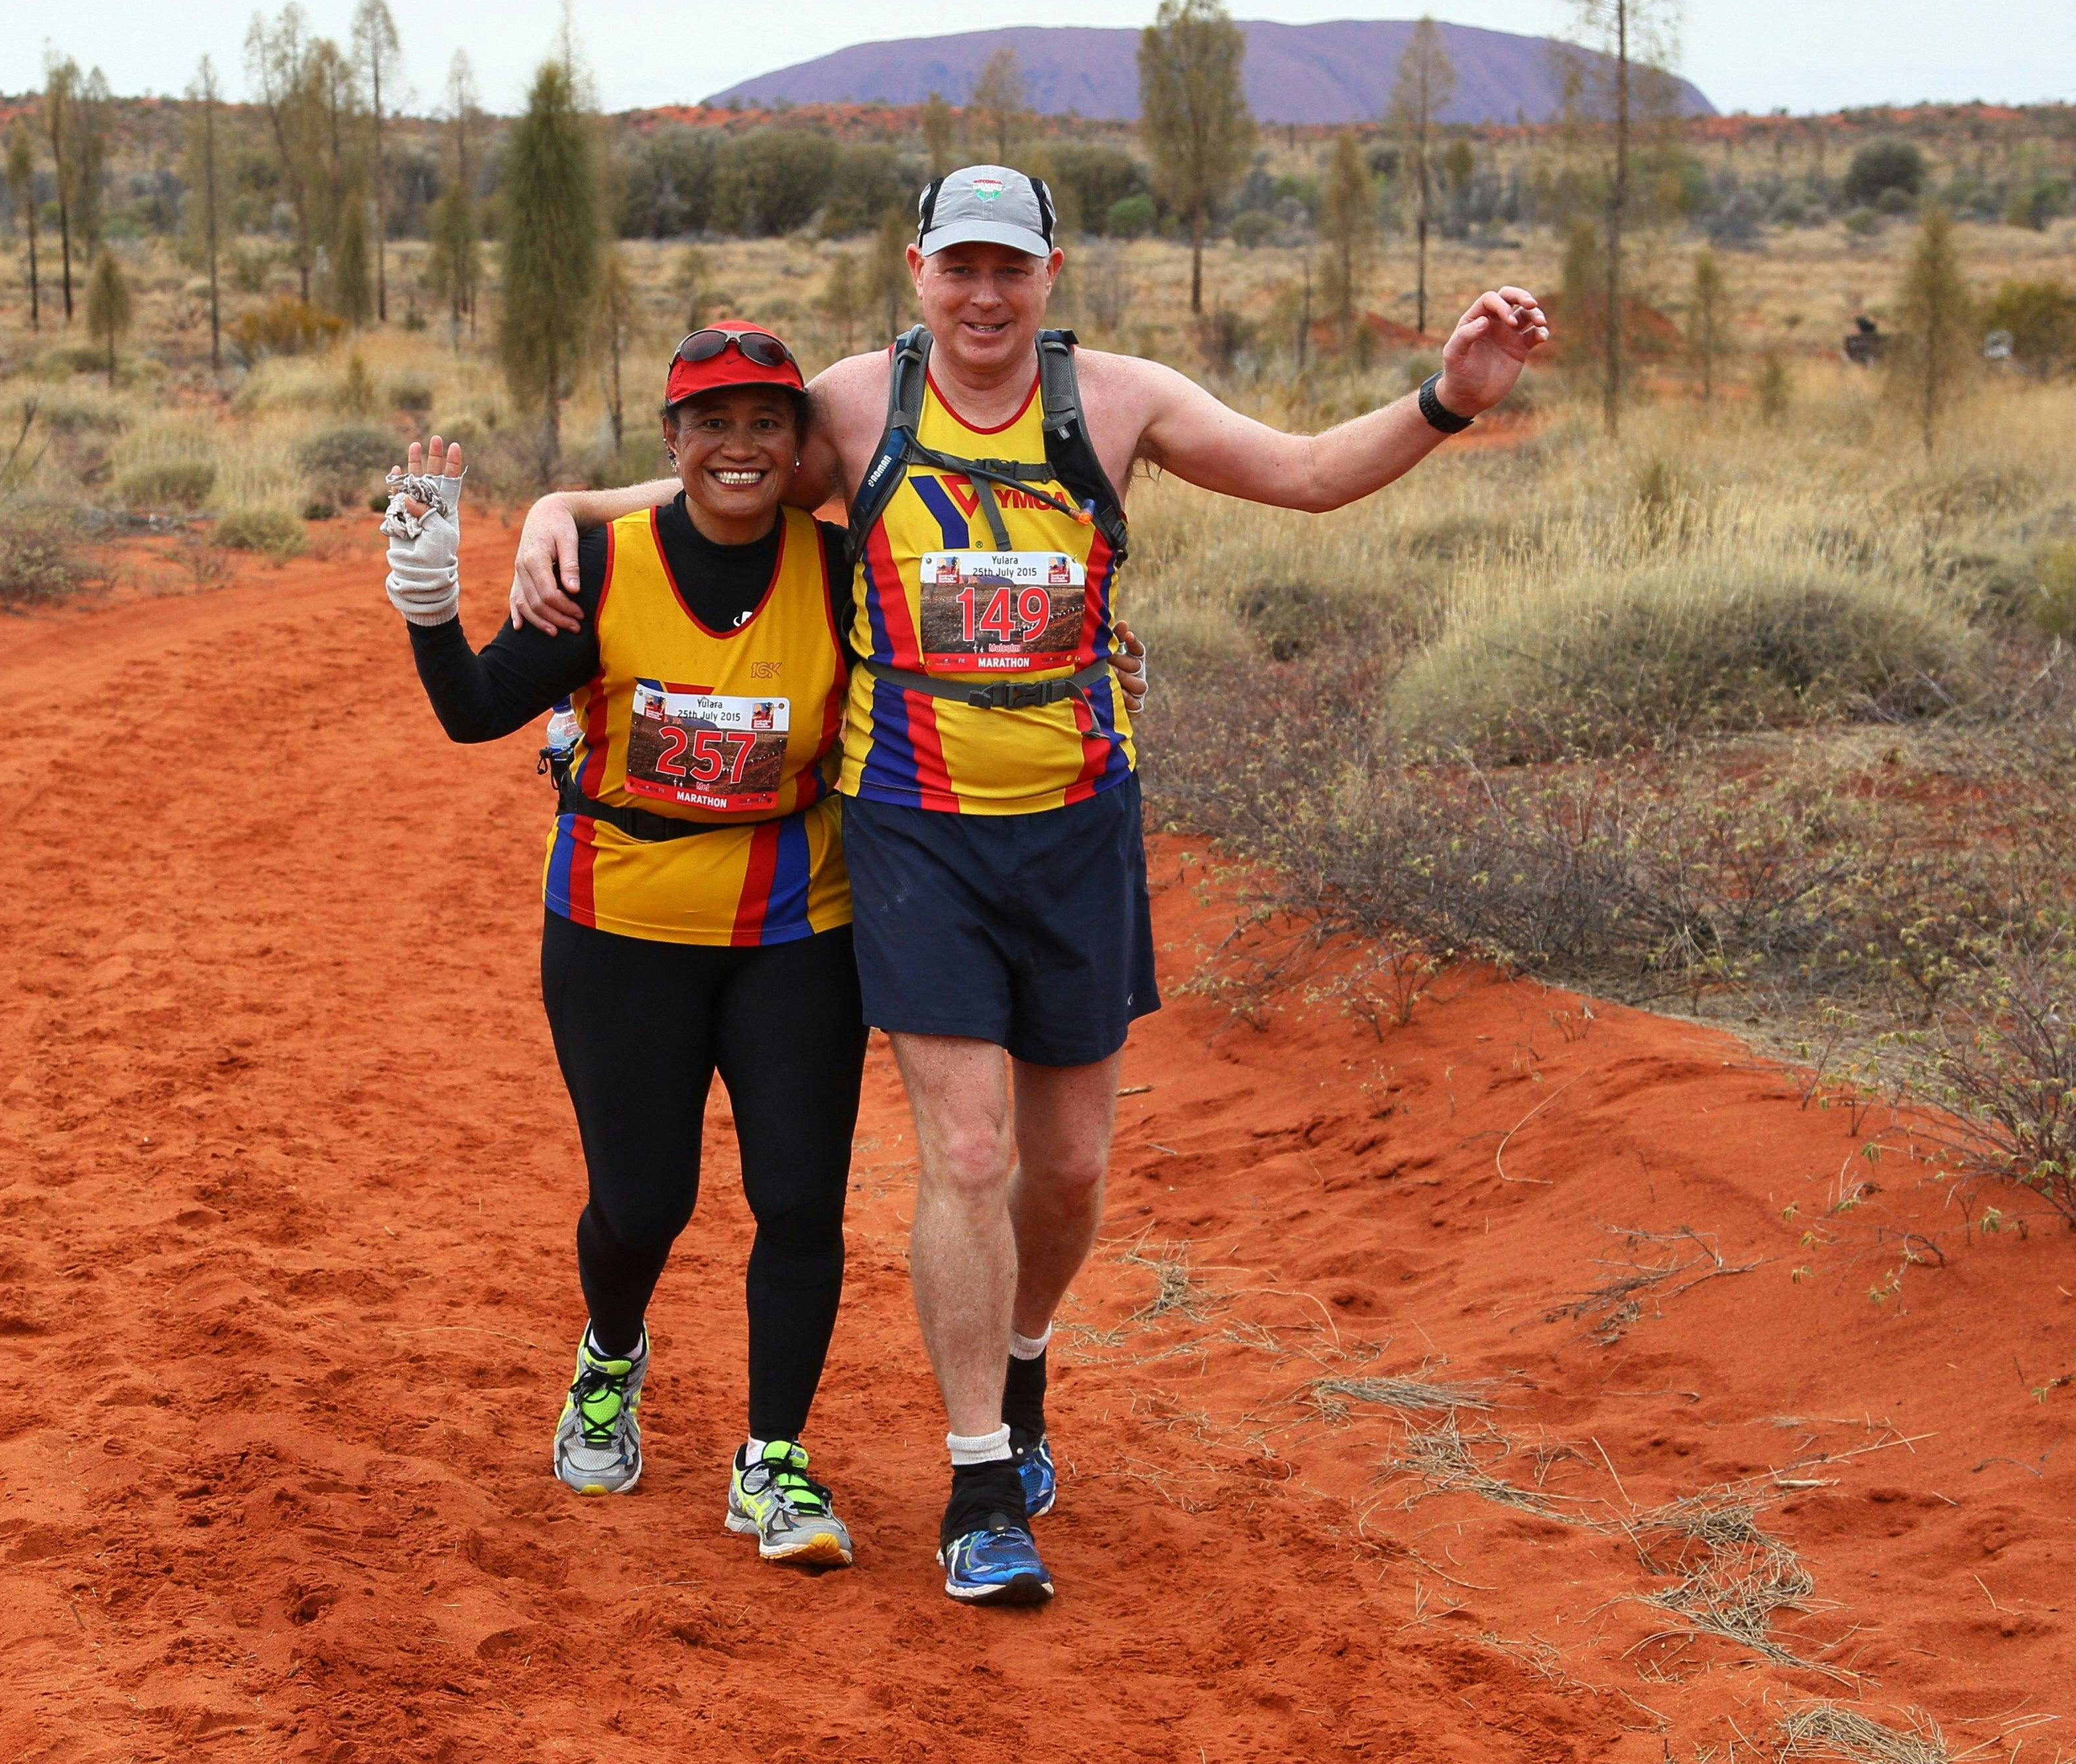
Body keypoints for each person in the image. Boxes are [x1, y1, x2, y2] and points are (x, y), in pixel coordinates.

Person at [506, 167, 1550, 1605]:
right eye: (959, 268)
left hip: (1074, 829)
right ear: (918, 268)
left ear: (1052, 272)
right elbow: (716, 475)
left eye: (1011, 269)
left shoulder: (1120, 403)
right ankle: (979, 1484)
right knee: (973, 1156)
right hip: (911, 828)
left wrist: (1447, 401)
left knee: (1065, 1176)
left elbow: (1306, 474)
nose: (983, 297)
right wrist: (559, 505)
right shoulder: (859, 404)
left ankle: (1022, 1356)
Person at [384, 325, 866, 1567]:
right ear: (673, 442)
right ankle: (609, 1358)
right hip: (619, 926)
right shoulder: (602, 565)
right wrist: (431, 603)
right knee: (643, 1204)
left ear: (799, 443)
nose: (741, 446)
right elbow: (475, 711)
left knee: (800, 1197)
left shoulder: (842, 570)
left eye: (767, 422)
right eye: (713, 423)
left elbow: (927, 702)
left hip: (792, 924)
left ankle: (774, 1463)